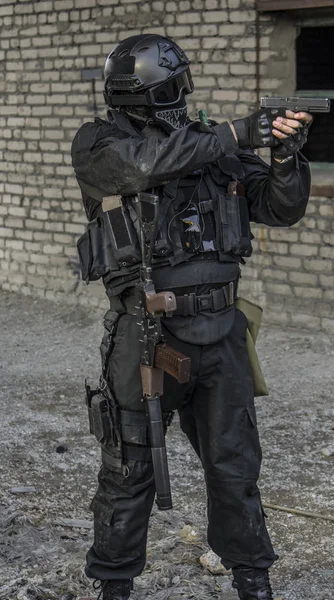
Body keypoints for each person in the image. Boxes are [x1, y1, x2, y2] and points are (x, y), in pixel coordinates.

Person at [71, 34, 312, 600]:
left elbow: (282, 207)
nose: (186, 94)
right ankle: (114, 584)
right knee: (130, 469)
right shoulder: (100, 144)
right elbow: (143, 166)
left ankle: (253, 577)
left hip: (223, 333)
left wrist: (284, 155)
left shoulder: (212, 147)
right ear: (152, 93)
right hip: (147, 334)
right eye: (176, 85)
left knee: (235, 467)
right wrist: (234, 131)